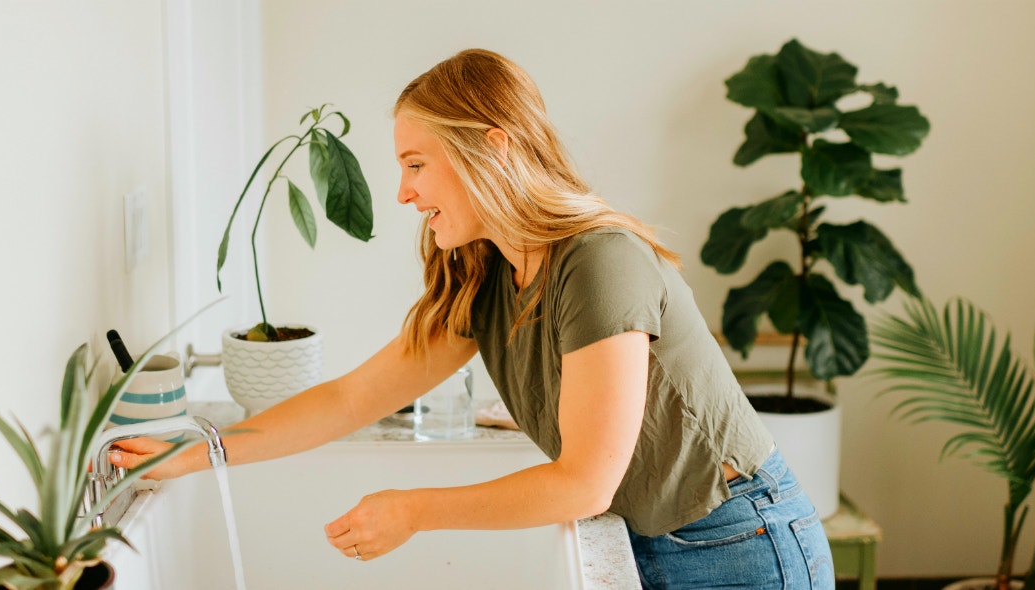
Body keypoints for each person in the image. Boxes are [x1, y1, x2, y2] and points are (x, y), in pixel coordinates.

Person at [111, 48, 835, 589]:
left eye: (417, 164)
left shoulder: (599, 262)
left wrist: (414, 510)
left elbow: (585, 482)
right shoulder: (484, 281)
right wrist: (202, 449)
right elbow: (352, 398)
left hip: (743, 541)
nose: (400, 192)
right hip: (658, 538)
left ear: (493, 147)